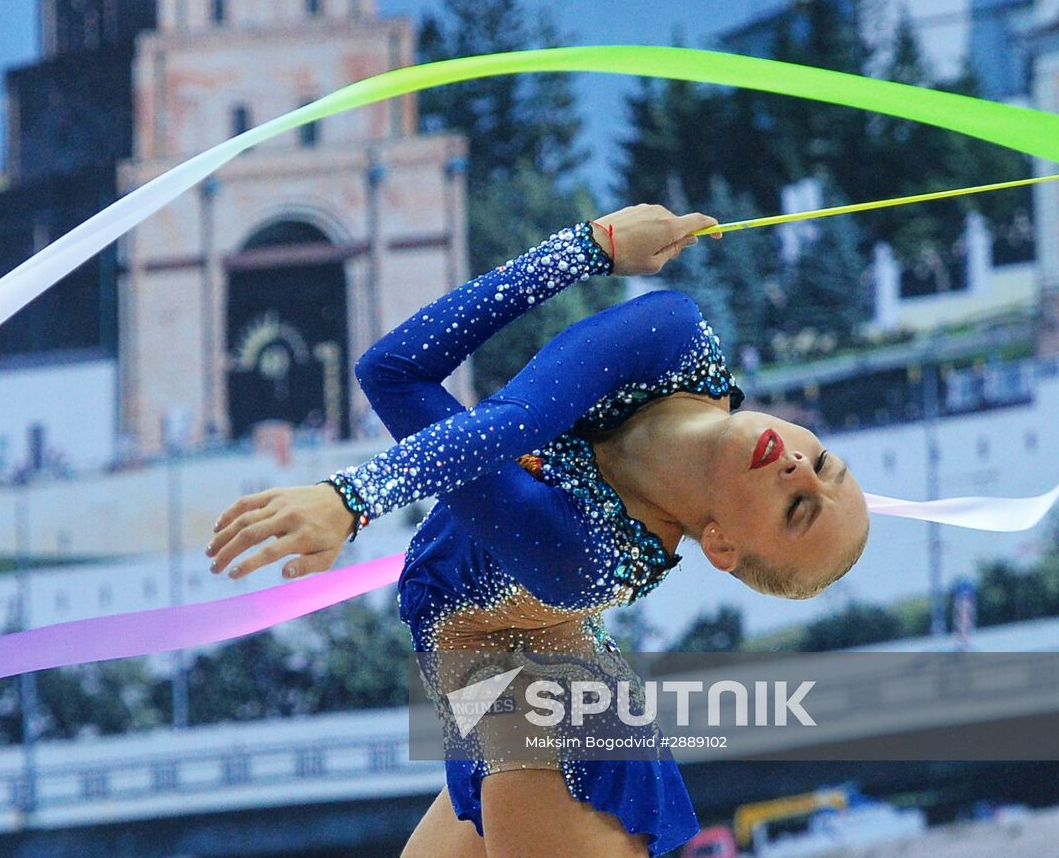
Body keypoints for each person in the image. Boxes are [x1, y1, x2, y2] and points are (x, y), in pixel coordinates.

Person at [205, 204, 870, 856]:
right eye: (821, 463)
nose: (796, 469)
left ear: (722, 544)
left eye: (798, 509)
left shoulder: (589, 557)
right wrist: (589, 247)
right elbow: (405, 375)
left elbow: (482, 429)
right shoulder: (677, 340)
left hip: (540, 720)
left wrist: (352, 498)